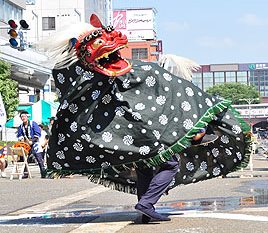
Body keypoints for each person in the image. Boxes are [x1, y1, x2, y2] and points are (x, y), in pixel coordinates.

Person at [37, 14, 251, 223]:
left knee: (144, 167)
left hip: (136, 137)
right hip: (146, 133)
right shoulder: (138, 74)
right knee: (170, 165)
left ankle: (145, 210)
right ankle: (146, 204)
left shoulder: (104, 80)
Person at [17, 111, 46, 178]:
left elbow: (38, 134)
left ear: (27, 117)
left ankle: (43, 172)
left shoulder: (33, 124)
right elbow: (20, 135)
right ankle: (26, 173)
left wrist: (32, 141)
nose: (23, 118)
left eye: (24, 116)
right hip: (27, 144)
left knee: (39, 158)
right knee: (25, 158)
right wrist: (22, 140)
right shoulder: (21, 126)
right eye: (22, 117)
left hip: (35, 143)